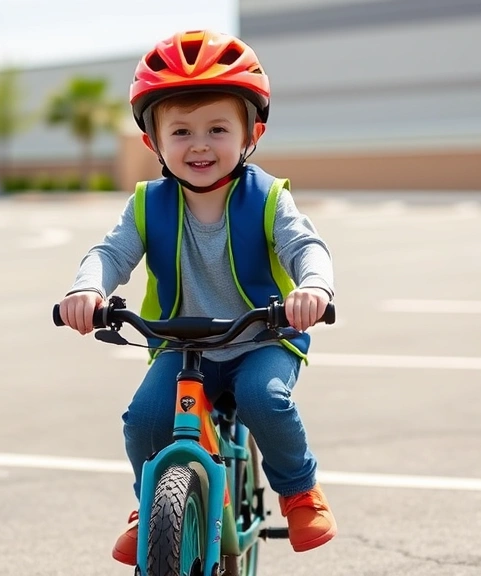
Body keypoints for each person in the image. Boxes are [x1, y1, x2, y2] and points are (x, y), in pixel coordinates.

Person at [56, 29, 337, 565]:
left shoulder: (268, 198)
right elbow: (111, 253)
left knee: (264, 398)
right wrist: (87, 288)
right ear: (152, 142)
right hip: (182, 344)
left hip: (262, 336)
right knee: (144, 419)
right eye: (181, 131)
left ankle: (300, 490)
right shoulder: (148, 205)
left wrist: (314, 287)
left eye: (217, 128)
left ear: (251, 132)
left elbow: (307, 247)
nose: (200, 144)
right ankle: (149, 504)